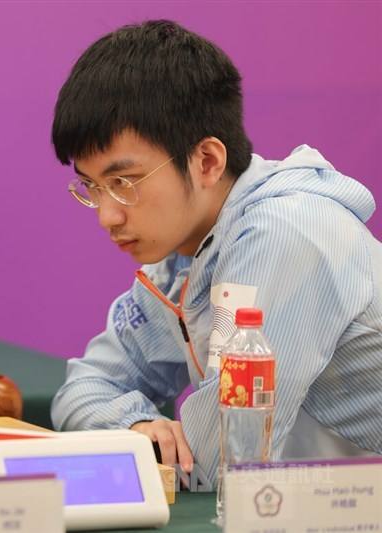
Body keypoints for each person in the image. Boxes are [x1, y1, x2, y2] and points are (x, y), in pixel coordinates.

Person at [50, 20, 382, 487]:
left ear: (207, 161)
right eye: (92, 186)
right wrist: (134, 426)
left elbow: (218, 465)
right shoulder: (179, 259)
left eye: (124, 182)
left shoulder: (285, 234)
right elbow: (81, 390)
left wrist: (134, 448)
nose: (107, 215)